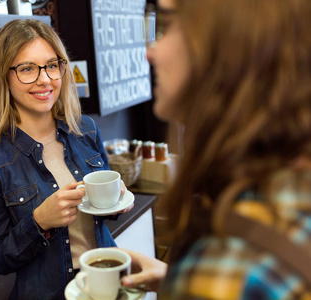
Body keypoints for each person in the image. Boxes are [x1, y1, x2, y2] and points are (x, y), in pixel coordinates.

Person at [121, 0, 311, 298]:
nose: (150, 52)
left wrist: (193, 283)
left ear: (225, 43)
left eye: (167, 25)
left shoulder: (228, 267)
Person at [0, 19, 130, 299]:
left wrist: (115, 198)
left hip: (109, 282)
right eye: (27, 69)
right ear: (3, 76)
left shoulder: (86, 130)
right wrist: (39, 221)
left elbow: (103, 213)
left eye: (52, 65)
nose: (44, 79)